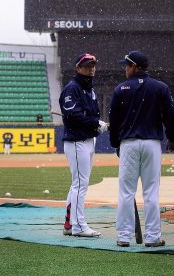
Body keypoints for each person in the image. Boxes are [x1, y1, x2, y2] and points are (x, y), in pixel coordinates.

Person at [109, 51, 174, 248]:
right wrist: (172, 138)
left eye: (127, 65)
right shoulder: (161, 87)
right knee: (151, 193)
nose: (125, 69)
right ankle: (153, 236)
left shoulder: (120, 89)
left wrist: (116, 144)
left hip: (128, 143)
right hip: (152, 143)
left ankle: (123, 236)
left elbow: (114, 122)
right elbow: (170, 117)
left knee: (126, 192)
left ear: (135, 66)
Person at [60, 53, 108, 237]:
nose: (91, 68)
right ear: (77, 68)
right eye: (87, 65)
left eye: (93, 65)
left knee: (77, 185)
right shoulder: (72, 88)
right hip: (77, 141)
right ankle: (79, 226)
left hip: (87, 139)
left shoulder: (89, 89)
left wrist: (96, 123)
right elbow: (73, 115)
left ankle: (69, 225)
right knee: (80, 185)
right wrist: (95, 123)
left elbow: (87, 114)